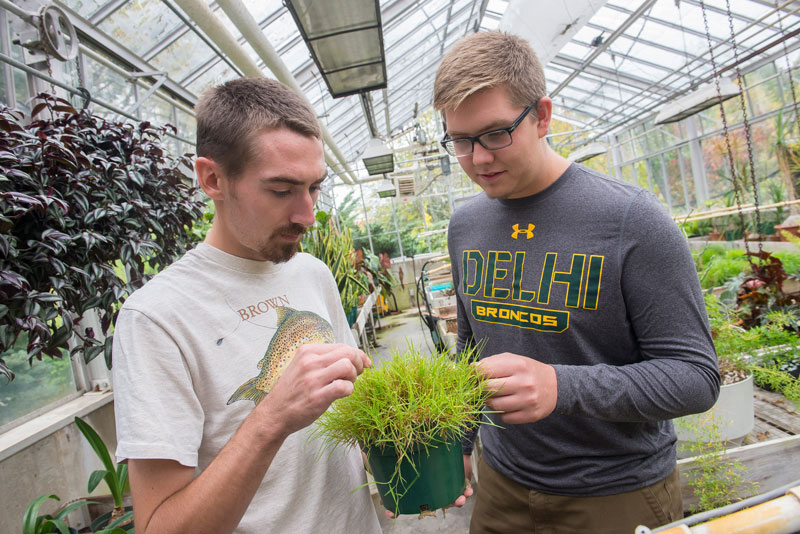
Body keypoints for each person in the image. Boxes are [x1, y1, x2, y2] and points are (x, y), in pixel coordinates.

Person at [433, 31, 720, 533]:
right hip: (501, 484)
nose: (478, 159)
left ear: (542, 116)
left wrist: (560, 385)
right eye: (461, 140)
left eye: (497, 132)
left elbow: (695, 376)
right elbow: (472, 345)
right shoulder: (466, 225)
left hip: (614, 492)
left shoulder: (632, 220)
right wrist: (457, 443)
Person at [112, 77, 381, 534]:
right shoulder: (156, 319)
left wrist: (404, 459)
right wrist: (272, 416)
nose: (307, 215)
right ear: (212, 178)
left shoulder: (312, 272)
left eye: (315, 187)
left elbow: (351, 413)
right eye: (282, 190)